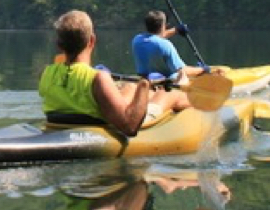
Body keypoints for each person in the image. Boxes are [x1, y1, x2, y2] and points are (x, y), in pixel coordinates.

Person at [40, 10, 189, 136]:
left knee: (129, 87)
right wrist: (144, 85)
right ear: (92, 41)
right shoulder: (98, 78)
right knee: (170, 93)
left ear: (59, 45)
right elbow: (130, 127)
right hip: (99, 129)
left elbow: (72, 75)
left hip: (60, 125)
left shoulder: (47, 73)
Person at [131, 10, 212, 86]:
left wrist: (176, 30)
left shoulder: (137, 39)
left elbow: (154, 37)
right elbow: (182, 70)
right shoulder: (165, 45)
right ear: (163, 26)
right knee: (182, 76)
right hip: (163, 81)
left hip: (144, 78)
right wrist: (202, 69)